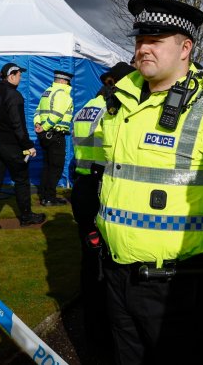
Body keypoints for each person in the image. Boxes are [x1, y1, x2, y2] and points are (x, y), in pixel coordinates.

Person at [96, 0, 203, 364]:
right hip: (116, 276)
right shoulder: (119, 104)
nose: (143, 49)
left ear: (185, 47)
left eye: (156, 41)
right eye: (140, 40)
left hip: (179, 286)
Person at [71, 61, 135, 353]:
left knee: (88, 258)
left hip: (82, 188)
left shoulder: (85, 106)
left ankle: (92, 329)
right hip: (100, 188)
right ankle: (104, 334)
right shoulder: (113, 111)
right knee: (104, 265)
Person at [0, 63, 46, 230]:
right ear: (11, 76)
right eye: (19, 75)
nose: (20, 77)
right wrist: (29, 145)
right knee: (22, 179)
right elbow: (19, 125)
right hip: (10, 146)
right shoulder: (14, 95)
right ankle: (26, 216)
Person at [33, 70, 74, 206]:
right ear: (63, 81)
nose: (68, 84)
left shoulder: (47, 92)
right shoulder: (63, 94)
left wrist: (38, 125)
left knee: (47, 166)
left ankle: (44, 196)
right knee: (56, 167)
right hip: (55, 135)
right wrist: (45, 127)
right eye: (68, 82)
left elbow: (37, 111)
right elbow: (57, 115)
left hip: (44, 135)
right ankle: (50, 198)